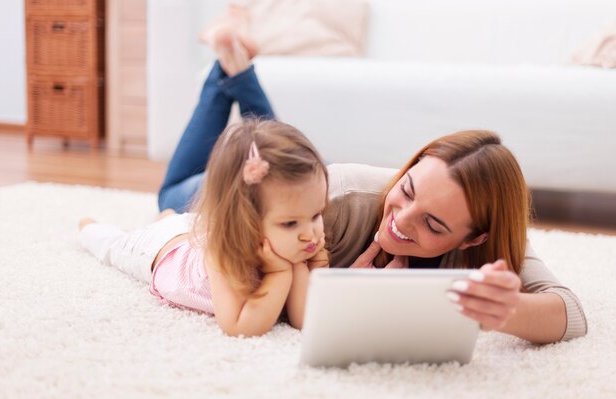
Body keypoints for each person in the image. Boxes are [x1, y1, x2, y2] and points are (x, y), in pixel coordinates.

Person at [157, 28, 587, 344]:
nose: (400, 221)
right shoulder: (337, 202)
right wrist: (340, 292)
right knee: (174, 193)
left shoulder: (492, 238)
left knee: (288, 163)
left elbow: (571, 314)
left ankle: (239, 72)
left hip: (310, 180)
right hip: (257, 193)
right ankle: (225, 75)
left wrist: (504, 311)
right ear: (412, 164)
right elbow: (245, 272)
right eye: (409, 189)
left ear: (477, 236)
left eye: (434, 225)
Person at [78, 118, 330, 337]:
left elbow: (303, 320)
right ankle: (89, 227)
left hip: (192, 230)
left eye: (316, 214)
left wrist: (309, 268)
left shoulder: (292, 246)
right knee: (114, 246)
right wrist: (279, 274)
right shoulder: (223, 253)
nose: (310, 233)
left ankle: (167, 217)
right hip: (162, 251)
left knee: (176, 221)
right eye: (290, 223)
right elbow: (238, 327)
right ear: (244, 220)